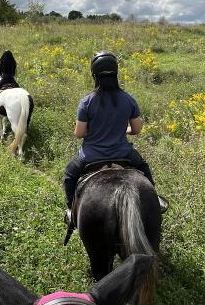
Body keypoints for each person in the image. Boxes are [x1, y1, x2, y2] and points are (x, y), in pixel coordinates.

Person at [63, 50, 166, 222]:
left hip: (91, 156)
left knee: (69, 175)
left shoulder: (86, 102)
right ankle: (156, 201)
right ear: (116, 72)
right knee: (143, 166)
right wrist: (123, 130)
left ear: (94, 75)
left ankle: (71, 212)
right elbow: (136, 129)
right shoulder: (128, 99)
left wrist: (94, 131)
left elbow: (79, 133)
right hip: (123, 153)